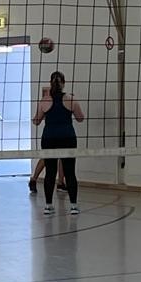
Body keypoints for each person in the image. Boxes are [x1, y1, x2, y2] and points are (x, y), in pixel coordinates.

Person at [33, 71, 84, 216]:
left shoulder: (44, 101)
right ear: (64, 83)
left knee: (50, 172)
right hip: (67, 138)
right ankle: (73, 206)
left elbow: (36, 121)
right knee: (70, 172)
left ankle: (48, 206)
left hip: (49, 138)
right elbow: (80, 118)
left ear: (51, 83)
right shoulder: (71, 99)